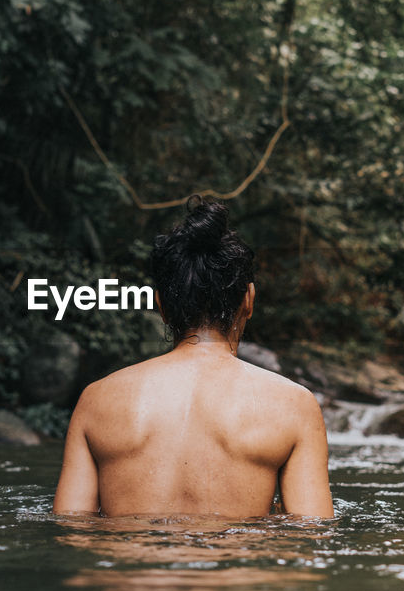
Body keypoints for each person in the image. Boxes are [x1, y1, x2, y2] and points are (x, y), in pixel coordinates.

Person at [53, 198, 334, 519]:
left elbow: (70, 531)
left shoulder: (97, 400)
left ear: (160, 304)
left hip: (129, 567)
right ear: (249, 299)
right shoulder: (294, 405)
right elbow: (312, 537)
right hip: (240, 567)